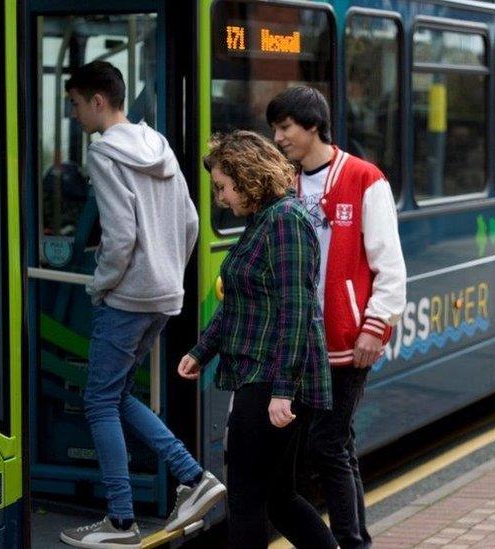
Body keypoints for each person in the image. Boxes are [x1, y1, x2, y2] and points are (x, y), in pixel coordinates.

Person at [59, 60, 225, 549]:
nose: (73, 115)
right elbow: (192, 222)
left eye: (73, 104)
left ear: (97, 101)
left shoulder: (104, 154)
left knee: (98, 401)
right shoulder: (160, 147)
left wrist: (101, 286)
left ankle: (121, 520)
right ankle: (194, 478)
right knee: (117, 394)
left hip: (128, 296)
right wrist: (167, 271)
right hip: (162, 295)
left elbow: (120, 237)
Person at [177, 131, 337, 549]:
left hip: (272, 379)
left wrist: (282, 391)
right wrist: (201, 350)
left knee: (247, 499)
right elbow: (239, 303)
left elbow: (296, 310)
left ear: (248, 179)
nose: (221, 198)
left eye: (224, 187)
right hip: (262, 373)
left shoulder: (284, 221)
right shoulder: (264, 221)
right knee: (279, 498)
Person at [267, 86, 407, 549]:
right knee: (334, 446)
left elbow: (390, 266)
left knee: (327, 445)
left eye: (285, 127)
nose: (279, 137)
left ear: (312, 125)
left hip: (347, 341)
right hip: (300, 343)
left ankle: (351, 542)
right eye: (275, 128)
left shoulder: (365, 179)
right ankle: (352, 541)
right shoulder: (283, 181)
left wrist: (375, 326)